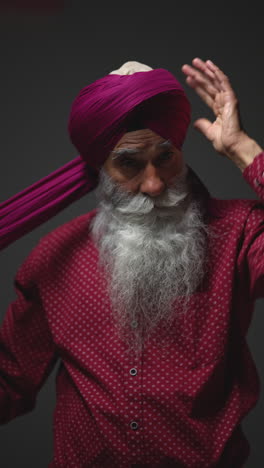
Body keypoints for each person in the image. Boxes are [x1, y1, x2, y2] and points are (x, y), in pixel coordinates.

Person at [0, 57, 263, 467]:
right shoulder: (55, 257)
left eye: (166, 157)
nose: (155, 184)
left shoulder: (238, 233)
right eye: (129, 164)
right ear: (98, 168)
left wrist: (243, 150)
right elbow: (8, 383)